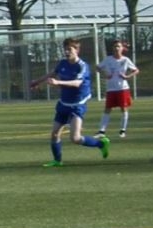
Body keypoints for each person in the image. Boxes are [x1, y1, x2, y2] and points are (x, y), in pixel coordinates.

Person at [29, 37, 110, 167]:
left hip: (77, 105)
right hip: (64, 103)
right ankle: (57, 161)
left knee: (75, 138)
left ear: (77, 50)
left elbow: (77, 83)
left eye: (70, 49)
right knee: (55, 134)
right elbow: (52, 73)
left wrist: (58, 82)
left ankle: (101, 144)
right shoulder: (63, 63)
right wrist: (37, 82)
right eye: (65, 49)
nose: (67, 52)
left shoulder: (82, 66)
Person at [96, 40, 139, 139]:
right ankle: (101, 131)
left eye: (118, 46)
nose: (116, 48)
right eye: (115, 46)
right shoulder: (108, 59)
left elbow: (136, 70)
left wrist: (127, 76)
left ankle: (122, 130)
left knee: (123, 108)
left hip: (122, 88)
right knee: (107, 109)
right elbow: (97, 67)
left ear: (122, 48)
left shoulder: (125, 60)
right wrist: (105, 74)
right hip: (111, 89)